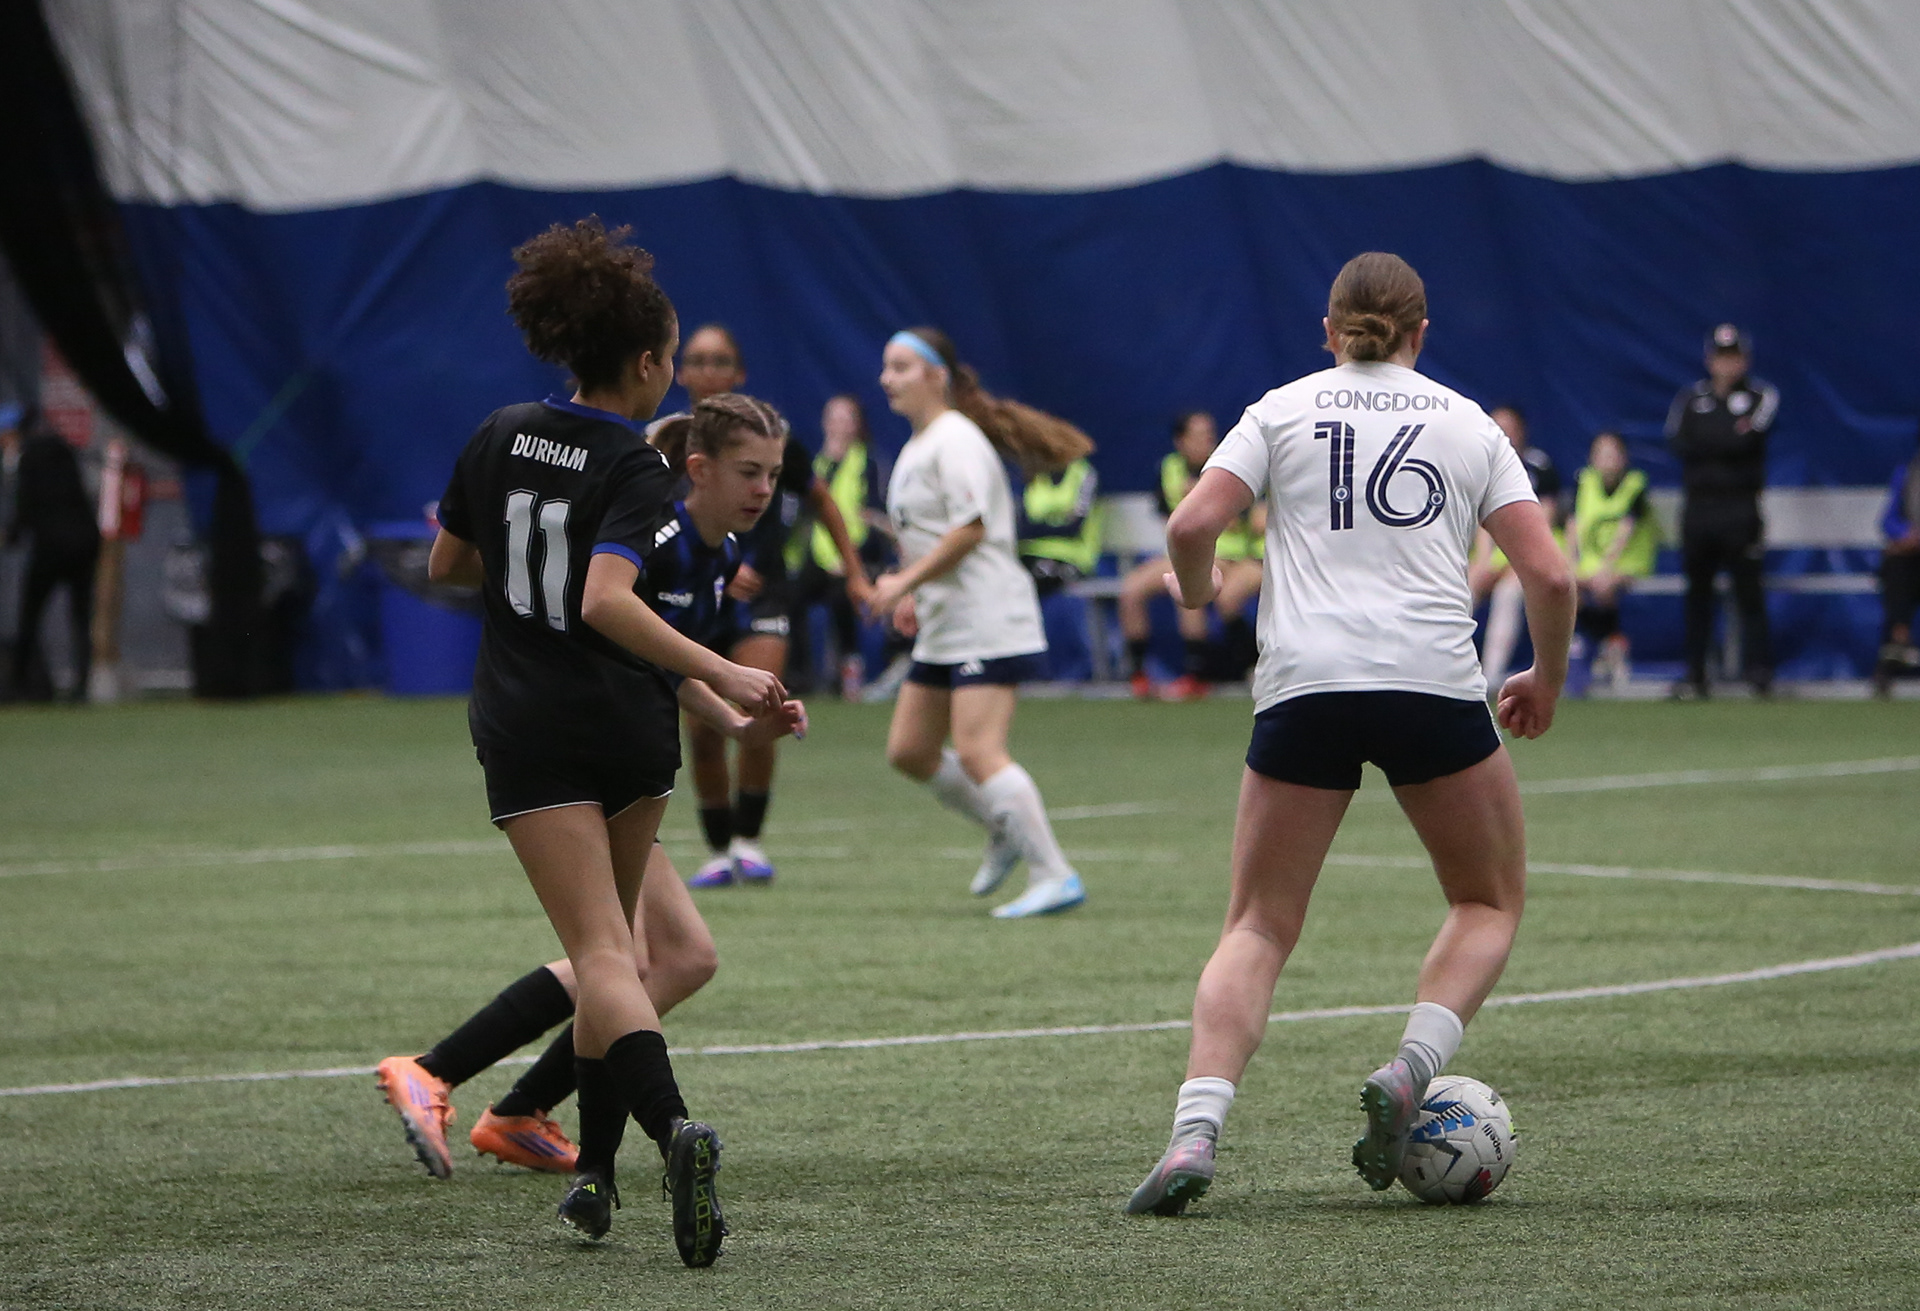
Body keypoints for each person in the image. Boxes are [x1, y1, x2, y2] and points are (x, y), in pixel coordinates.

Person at [1123, 252, 1573, 1216]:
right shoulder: (1469, 423)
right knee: (1486, 901)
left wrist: (1196, 595)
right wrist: (1545, 677)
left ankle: (1195, 1131)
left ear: (1329, 332)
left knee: (1257, 925)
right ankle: (1412, 1066)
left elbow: (1192, 525)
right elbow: (1550, 574)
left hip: (1306, 686)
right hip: (1430, 684)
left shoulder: (1280, 409)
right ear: (1422, 333)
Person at [414, 218, 796, 1263]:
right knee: (616, 951)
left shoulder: (499, 432)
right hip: (627, 723)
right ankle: (594, 1172)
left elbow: (450, 563)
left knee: (602, 954)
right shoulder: (635, 465)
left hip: (529, 721)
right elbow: (609, 600)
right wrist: (723, 671)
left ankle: (671, 1133)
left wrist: (717, 677)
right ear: (646, 362)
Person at [376, 397, 801, 1191]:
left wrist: (740, 727)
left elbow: (661, 664)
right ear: (699, 470)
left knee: (674, 957)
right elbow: (623, 632)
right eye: (750, 471)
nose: (763, 489)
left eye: (774, 474)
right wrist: (724, 679)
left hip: (625, 751)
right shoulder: (658, 540)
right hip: (593, 749)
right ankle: (440, 1072)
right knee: (627, 956)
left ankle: (514, 1105)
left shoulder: (720, 553)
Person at [866, 327, 1092, 919]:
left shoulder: (955, 440)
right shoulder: (919, 446)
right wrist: (915, 589)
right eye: (886, 367)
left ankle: (1054, 873)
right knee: (910, 750)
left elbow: (969, 530)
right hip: (947, 622)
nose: (888, 378)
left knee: (977, 750)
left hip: (987, 617)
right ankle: (1002, 825)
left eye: (901, 367)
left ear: (937, 375)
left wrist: (902, 583)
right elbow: (930, 535)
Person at [665, 326, 874, 888]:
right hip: (696, 598)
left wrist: (855, 573)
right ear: (680, 372)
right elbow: (655, 521)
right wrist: (716, 561)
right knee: (702, 728)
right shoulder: (668, 440)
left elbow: (821, 500)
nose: (709, 371)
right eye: (698, 360)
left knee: (762, 702)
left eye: (721, 361)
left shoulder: (769, 435)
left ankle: (749, 840)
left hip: (764, 595)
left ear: (739, 373)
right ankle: (717, 849)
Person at [1666, 323, 1778, 698]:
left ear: (1744, 360)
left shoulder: (1761, 395)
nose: (1727, 365)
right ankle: (1695, 673)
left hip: (1740, 510)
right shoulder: (1690, 398)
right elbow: (1679, 442)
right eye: (1720, 357)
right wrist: (1728, 435)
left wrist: (1716, 440)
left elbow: (1749, 440)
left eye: (1733, 357)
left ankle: (1759, 671)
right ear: (1709, 360)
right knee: (1698, 595)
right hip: (1699, 511)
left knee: (1749, 592)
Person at [1119, 412, 1262, 700]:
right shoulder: (1169, 468)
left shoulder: (1226, 466)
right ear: (1180, 441)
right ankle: (1138, 675)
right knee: (1132, 588)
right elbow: (1169, 516)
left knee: (1191, 584)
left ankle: (1199, 673)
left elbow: (1243, 520)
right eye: (1197, 436)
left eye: (1208, 435)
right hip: (1184, 553)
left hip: (1229, 554)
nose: (1206, 441)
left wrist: (1200, 501)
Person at [788, 393, 891, 700]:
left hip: (856, 556)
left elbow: (872, 515)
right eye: (833, 418)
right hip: (819, 556)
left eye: (846, 418)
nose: (838, 425)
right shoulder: (817, 463)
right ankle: (800, 676)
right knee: (791, 596)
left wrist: (851, 560)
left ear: (857, 425)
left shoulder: (867, 463)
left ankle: (848, 671)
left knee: (842, 597)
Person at [7, 403, 100, 702]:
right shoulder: (63, 450)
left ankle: (19, 683)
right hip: (85, 542)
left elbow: (27, 504)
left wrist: (11, 536)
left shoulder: (29, 457)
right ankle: (82, 684)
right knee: (81, 616)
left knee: (30, 614)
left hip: (51, 546)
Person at [1466, 404, 1562, 693]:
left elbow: (1542, 525)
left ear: (1522, 433)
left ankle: (1491, 676)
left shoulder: (1538, 467)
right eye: (1496, 426)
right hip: (1490, 556)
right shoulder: (1475, 466)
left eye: (1509, 428)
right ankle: (1439, 670)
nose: (1502, 434)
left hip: (1526, 557)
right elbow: (1480, 522)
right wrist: (1484, 563)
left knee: (1508, 593)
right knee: (1462, 589)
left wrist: (1514, 564)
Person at [1567, 431, 1658, 690]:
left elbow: (1625, 532)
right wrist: (1571, 563)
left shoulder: (1635, 484)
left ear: (1624, 457)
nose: (1607, 460)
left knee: (1604, 587)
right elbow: (1573, 525)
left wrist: (1606, 569)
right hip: (1589, 563)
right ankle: (1596, 647)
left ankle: (1606, 647)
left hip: (1628, 563)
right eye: (1601, 453)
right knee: (1569, 588)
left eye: (1613, 453)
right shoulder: (1583, 481)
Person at [1875, 427, 1920, 696]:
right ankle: (1898, 640)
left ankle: (1899, 641)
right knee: (1896, 567)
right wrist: (1907, 535)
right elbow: (1887, 521)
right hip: (1912, 556)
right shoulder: (1907, 474)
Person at [1018, 453, 1102, 597]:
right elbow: (1023, 527)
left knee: (1038, 579)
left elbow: (1073, 529)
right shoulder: (1035, 474)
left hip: (1072, 557)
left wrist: (1039, 527)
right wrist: (1059, 523)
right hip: (1029, 554)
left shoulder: (1083, 474)